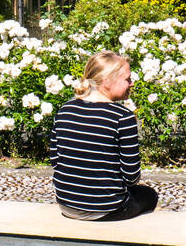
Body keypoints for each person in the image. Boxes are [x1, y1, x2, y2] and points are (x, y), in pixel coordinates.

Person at [50, 51, 158, 221]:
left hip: (67, 204)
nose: (132, 84)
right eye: (127, 79)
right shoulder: (123, 117)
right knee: (149, 195)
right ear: (108, 81)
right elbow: (132, 177)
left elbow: (56, 161)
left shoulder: (65, 110)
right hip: (107, 208)